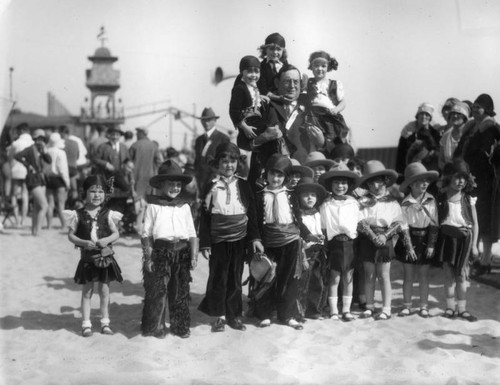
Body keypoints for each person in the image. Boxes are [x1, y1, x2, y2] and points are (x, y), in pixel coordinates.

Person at [198, 143, 263, 332]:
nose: (228, 165)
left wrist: (255, 238)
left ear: (238, 163)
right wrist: (205, 243)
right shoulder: (211, 186)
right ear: (217, 164)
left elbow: (252, 214)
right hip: (218, 238)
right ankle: (219, 316)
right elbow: (204, 216)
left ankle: (234, 316)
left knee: (235, 277)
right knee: (218, 277)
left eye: (232, 161)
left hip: (239, 238)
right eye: (224, 161)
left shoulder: (243, 185)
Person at [140, 160, 199, 338]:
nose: (175, 188)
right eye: (171, 184)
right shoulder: (153, 206)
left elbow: (192, 233)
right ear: (161, 185)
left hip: (181, 252)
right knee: (158, 291)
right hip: (160, 252)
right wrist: (148, 257)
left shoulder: (185, 206)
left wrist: (194, 256)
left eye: (178, 184)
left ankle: (179, 326)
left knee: (180, 291)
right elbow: (145, 233)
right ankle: (155, 326)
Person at [254, 154, 313, 330]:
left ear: (285, 178)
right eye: (273, 174)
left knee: (289, 278)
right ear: (266, 174)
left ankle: (287, 315)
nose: (276, 178)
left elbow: (297, 219)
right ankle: (265, 314)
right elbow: (255, 220)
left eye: (280, 175)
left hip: (291, 239)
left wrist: (308, 234)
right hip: (268, 240)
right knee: (266, 276)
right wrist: (256, 239)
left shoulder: (291, 195)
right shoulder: (259, 195)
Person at [63, 175, 123, 337]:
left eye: (100, 191)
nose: (97, 195)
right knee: (87, 291)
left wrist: (107, 240)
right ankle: (86, 324)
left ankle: (105, 323)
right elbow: (71, 236)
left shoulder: (109, 214)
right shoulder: (77, 214)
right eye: (93, 191)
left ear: (105, 194)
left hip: (105, 258)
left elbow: (116, 233)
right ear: (85, 193)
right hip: (87, 259)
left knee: (104, 291)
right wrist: (82, 242)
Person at [356, 160, 416, 320]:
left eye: (379, 181)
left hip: (385, 237)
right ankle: (369, 306)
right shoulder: (362, 202)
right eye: (371, 182)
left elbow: (399, 223)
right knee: (369, 274)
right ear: (367, 184)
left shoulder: (392, 202)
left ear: (385, 181)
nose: (376, 185)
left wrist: (384, 235)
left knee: (384, 275)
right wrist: (373, 236)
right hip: (367, 238)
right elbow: (360, 221)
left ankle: (386, 308)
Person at [456, 94, 500, 276]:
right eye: (473, 106)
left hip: (486, 181)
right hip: (469, 179)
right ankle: (476, 255)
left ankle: (485, 260)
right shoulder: (471, 128)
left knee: (485, 219)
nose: (474, 110)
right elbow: (459, 152)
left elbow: (487, 156)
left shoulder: (492, 129)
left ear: (488, 110)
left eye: (479, 107)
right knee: (471, 218)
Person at [435, 159, 478, 322]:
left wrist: (474, 245)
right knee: (448, 275)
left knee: (461, 275)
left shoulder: (468, 199)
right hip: (446, 239)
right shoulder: (441, 198)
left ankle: (462, 309)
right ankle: (450, 307)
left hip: (464, 241)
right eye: (457, 177)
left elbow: (475, 224)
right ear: (448, 178)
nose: (460, 181)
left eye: (464, 178)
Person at [318, 162, 360, 321]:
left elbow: (357, 223)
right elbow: (323, 226)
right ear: (330, 184)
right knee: (334, 277)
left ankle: (346, 310)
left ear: (348, 185)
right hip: (334, 243)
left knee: (348, 276)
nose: (340, 186)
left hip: (350, 243)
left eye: (343, 183)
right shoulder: (326, 204)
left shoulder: (353, 203)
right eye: (336, 182)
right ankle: (334, 310)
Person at [396, 163, 439, 318]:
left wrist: (431, 245)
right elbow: (403, 226)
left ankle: (423, 306)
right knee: (408, 276)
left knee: (424, 275)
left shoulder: (431, 200)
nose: (425, 184)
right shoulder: (406, 203)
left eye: (427, 181)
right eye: (421, 181)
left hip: (425, 239)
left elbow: (434, 224)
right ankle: (407, 305)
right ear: (412, 184)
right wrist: (409, 247)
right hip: (409, 238)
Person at [268, 64, 326, 164]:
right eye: (287, 81)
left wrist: (321, 142)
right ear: (277, 83)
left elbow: (332, 142)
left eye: (296, 82)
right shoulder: (267, 106)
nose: (292, 86)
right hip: (275, 171)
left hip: (303, 170)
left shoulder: (312, 106)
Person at [294, 177, 328, 320]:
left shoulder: (318, 213)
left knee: (317, 281)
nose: (309, 198)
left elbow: (323, 230)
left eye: (313, 195)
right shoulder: (297, 216)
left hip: (318, 251)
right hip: (304, 252)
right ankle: (299, 311)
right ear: (299, 197)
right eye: (306, 195)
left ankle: (314, 310)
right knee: (302, 283)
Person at [305, 50, 348, 152]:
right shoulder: (308, 82)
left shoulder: (334, 84)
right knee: (314, 142)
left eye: (323, 66)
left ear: (328, 67)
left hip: (330, 116)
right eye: (316, 65)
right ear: (311, 67)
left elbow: (343, 102)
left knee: (333, 141)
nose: (320, 69)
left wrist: (336, 109)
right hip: (313, 116)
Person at [14, 129, 52, 236]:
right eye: (39, 138)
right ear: (35, 139)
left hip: (41, 179)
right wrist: (27, 165)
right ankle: (38, 231)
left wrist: (45, 151)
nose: (40, 141)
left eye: (42, 139)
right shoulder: (30, 149)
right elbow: (16, 156)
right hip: (32, 178)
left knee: (37, 206)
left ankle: (33, 231)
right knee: (44, 205)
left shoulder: (41, 150)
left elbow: (49, 161)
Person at [129, 126, 164, 230]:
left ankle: (138, 225)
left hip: (136, 178)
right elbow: (159, 161)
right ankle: (148, 226)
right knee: (149, 202)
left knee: (138, 202)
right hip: (150, 178)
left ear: (141, 133)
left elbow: (128, 163)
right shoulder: (153, 146)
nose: (136, 135)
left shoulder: (135, 145)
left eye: (137, 133)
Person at [396, 103, 441, 178]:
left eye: (427, 115)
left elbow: (437, 150)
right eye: (421, 114)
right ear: (417, 116)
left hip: (430, 167)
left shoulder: (435, 131)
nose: (424, 117)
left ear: (430, 118)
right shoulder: (408, 131)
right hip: (412, 167)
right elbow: (401, 153)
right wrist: (400, 172)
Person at [194, 108, 230, 194]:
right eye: (204, 120)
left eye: (209, 120)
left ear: (215, 120)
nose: (206, 123)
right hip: (200, 182)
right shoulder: (199, 140)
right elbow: (197, 161)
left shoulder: (223, 138)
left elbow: (226, 162)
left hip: (216, 181)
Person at [7, 123, 33, 227]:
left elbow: (10, 158)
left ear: (21, 131)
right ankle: (23, 220)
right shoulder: (32, 142)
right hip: (28, 171)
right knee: (25, 195)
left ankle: (17, 220)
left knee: (14, 195)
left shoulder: (15, 143)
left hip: (16, 170)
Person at [44, 132, 70, 230]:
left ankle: (49, 225)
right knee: (61, 204)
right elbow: (63, 169)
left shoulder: (46, 151)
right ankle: (63, 225)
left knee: (50, 204)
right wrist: (67, 183)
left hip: (48, 178)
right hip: (59, 179)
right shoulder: (61, 152)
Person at [256, 32, 288, 101]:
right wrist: (277, 98)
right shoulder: (261, 67)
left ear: (283, 51)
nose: (275, 52)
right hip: (269, 101)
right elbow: (262, 88)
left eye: (278, 49)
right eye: (271, 49)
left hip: (286, 99)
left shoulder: (286, 65)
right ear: (265, 50)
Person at [438, 102, 470, 170]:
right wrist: (447, 169)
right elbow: (440, 160)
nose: (455, 116)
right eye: (453, 114)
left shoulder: (469, 135)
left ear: (465, 117)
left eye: (459, 114)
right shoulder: (446, 136)